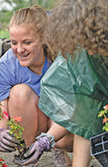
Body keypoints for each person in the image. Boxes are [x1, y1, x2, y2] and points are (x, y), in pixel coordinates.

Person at [15, 0, 108, 166]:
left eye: (94, 42)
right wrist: (47, 139)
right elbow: (85, 120)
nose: (91, 50)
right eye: (85, 43)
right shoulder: (85, 56)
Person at [0, 6, 73, 166]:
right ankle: (28, 157)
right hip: (35, 118)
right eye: (14, 42)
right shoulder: (6, 66)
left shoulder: (63, 61)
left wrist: (47, 140)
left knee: (62, 141)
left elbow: (71, 110)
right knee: (19, 92)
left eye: (27, 42)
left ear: (44, 37)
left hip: (64, 125)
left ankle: (57, 149)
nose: (19, 50)